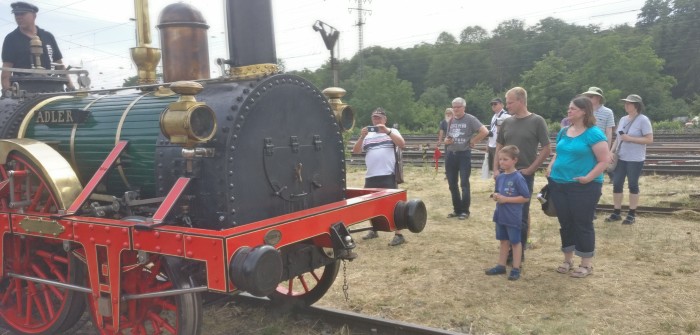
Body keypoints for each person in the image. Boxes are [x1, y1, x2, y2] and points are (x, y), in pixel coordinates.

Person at [546, 96, 609, 278]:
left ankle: (586, 264)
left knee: (583, 223)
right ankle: (567, 259)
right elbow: (558, 152)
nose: (569, 111)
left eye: (573, 109)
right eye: (569, 108)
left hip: (584, 187)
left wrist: (588, 178)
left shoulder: (594, 134)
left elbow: (604, 161)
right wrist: (551, 167)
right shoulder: (564, 131)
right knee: (565, 223)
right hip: (559, 184)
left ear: (583, 111)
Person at [494, 87, 551, 263]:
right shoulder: (506, 122)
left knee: (520, 214)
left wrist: (531, 169)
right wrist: (496, 169)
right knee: (504, 211)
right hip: (505, 175)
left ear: (521, 101)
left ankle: (518, 251)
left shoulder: (537, 121)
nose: (507, 105)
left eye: (510, 102)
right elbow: (498, 146)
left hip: (523, 175)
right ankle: (508, 247)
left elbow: (547, 149)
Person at [353, 107, 407, 246]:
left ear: (385, 119)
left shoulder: (392, 131)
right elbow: (356, 151)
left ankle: (399, 234)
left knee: (394, 205)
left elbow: (402, 144)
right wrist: (362, 136)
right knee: (370, 205)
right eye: (374, 118)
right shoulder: (368, 135)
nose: (376, 120)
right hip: (371, 175)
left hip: (388, 174)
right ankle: (374, 229)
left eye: (379, 118)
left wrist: (387, 131)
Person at [2, 2, 73, 93]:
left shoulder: (48, 37)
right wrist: (8, 93)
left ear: (34, 15)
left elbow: (60, 67)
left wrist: (72, 89)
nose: (18, 17)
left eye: (22, 14)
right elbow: (6, 73)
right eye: (16, 14)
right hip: (24, 92)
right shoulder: (11, 39)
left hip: (53, 89)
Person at [604, 94, 653, 225]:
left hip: (635, 159)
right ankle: (616, 212)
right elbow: (618, 139)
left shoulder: (643, 120)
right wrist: (610, 152)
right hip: (621, 157)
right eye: (625, 103)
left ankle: (631, 214)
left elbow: (649, 139)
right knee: (617, 183)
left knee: (633, 184)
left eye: (629, 103)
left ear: (636, 105)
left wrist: (630, 139)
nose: (626, 105)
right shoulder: (623, 119)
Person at [485, 145, 530, 281]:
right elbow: (498, 192)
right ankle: (501, 265)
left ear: (514, 160)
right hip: (501, 215)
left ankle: (516, 268)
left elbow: (525, 197)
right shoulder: (500, 177)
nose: (502, 162)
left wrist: (507, 199)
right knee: (503, 241)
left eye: (505, 159)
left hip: (513, 216)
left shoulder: (518, 178)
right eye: (500, 160)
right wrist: (495, 196)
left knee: (515, 242)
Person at [444, 97, 489, 220]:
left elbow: (484, 131)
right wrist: (446, 141)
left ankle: (465, 211)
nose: (456, 109)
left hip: (463, 154)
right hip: (450, 154)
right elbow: (446, 138)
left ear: (464, 107)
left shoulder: (470, 119)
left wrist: (473, 141)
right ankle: (457, 209)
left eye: (458, 107)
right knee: (452, 184)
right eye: (454, 107)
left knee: (464, 183)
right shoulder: (451, 120)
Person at [582, 87, 616, 182]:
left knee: (599, 167)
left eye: (590, 96)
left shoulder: (608, 112)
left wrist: (608, 150)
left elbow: (609, 132)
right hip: (585, 143)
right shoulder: (583, 110)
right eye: (587, 96)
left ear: (598, 98)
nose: (588, 98)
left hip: (600, 144)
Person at [487, 98, 510, 174]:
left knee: (501, 166)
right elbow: (492, 130)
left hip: (500, 145)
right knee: (494, 167)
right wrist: (488, 144)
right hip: (492, 144)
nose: (493, 106)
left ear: (501, 104)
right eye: (492, 104)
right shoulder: (494, 116)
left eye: (495, 104)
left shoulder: (506, 116)